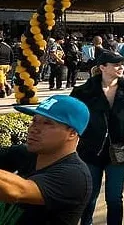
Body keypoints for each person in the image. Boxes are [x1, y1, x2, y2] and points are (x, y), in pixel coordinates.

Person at [70, 50, 124, 225]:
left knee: (115, 198)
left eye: (122, 64)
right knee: (89, 197)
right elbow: (73, 118)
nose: (121, 67)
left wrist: (123, 125)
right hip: (90, 152)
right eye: (116, 64)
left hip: (119, 152)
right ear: (102, 67)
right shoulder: (83, 92)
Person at [0, 94, 92, 224]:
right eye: (34, 120)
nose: (33, 129)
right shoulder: (24, 154)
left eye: (47, 123)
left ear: (72, 133)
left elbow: (16, 191)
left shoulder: (75, 175)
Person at [0, 33, 12, 97]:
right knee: (3, 79)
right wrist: (10, 65)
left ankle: (2, 92)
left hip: (1, 65)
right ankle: (8, 88)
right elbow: (12, 55)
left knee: (1, 81)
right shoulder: (8, 46)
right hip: (6, 65)